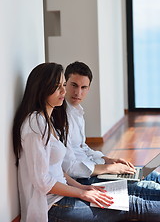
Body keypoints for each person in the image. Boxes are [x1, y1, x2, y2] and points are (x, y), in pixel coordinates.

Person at [13, 62, 133, 222]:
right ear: (42, 89)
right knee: (133, 203)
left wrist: (82, 187)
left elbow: (57, 169)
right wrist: (83, 192)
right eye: (58, 87)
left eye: (63, 85)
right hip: (52, 206)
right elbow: (42, 181)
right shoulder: (36, 123)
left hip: (64, 194)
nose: (65, 91)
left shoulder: (45, 120)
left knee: (133, 192)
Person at [61, 61, 160, 221]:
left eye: (83, 87)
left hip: (94, 168)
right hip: (85, 177)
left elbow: (82, 147)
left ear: (88, 89)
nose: (78, 92)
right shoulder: (60, 116)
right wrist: (108, 168)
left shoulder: (77, 112)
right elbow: (70, 168)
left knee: (151, 175)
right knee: (146, 187)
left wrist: (108, 159)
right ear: (65, 84)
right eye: (74, 85)